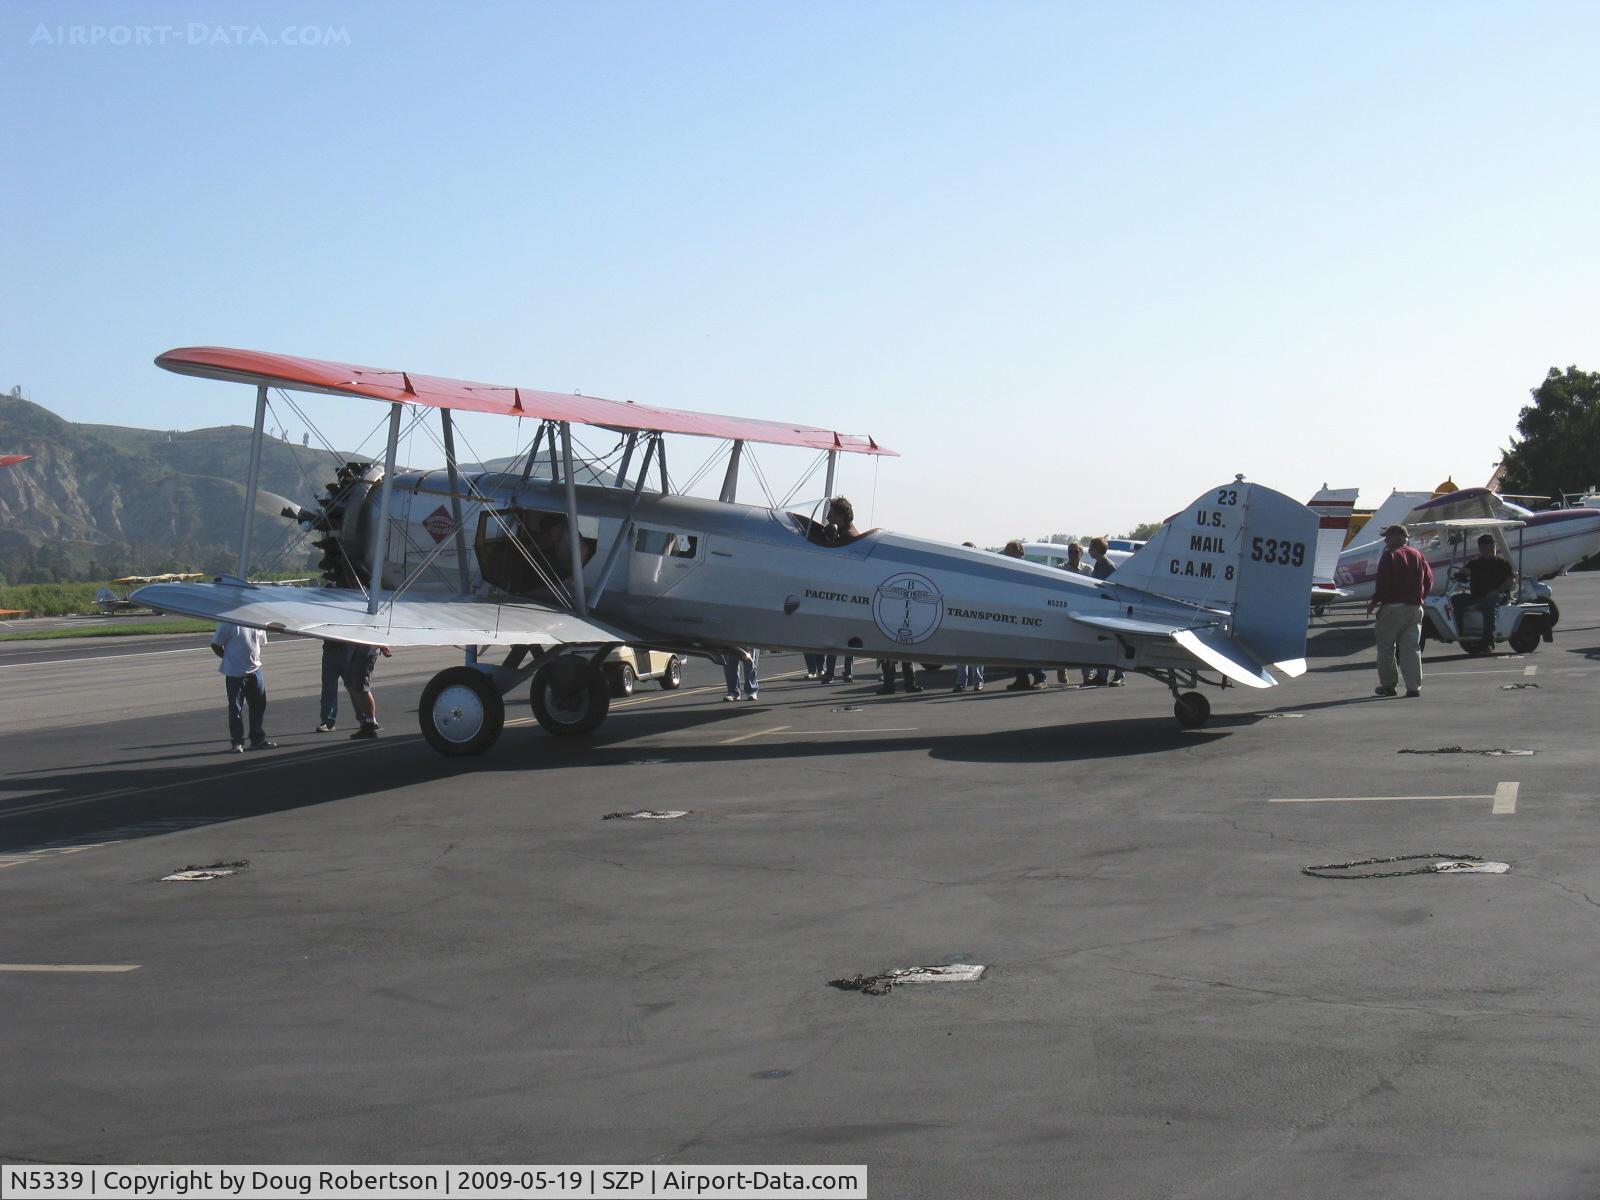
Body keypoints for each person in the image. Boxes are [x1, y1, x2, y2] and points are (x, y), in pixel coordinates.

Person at [1366, 523, 1434, 698]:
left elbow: (1383, 583)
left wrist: (1374, 601)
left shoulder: (1390, 555)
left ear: (1397, 536)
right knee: (1411, 647)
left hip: (1393, 607)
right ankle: (1413, 687)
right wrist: (1420, 598)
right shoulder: (1418, 555)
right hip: (1415, 607)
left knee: (1386, 647)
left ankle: (1388, 685)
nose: (1386, 540)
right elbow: (1429, 581)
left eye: (1388, 536)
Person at [211, 621, 276, 752]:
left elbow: (260, 643)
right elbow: (215, 645)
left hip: (255, 670)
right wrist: (228, 658)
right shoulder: (228, 623)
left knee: (258, 706)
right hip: (235, 674)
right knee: (235, 709)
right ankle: (237, 741)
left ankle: (257, 739)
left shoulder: (258, 623)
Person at [1001, 540, 1047, 690]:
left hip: (1027, 614)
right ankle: (1022, 678)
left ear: (1018, 553)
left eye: (1009, 551)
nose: (1006, 554)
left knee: (1030, 647)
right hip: (1013, 613)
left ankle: (1040, 677)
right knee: (1016, 648)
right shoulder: (1008, 569)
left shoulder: (1026, 568)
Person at [1454, 534, 1514, 645]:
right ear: (1479, 548)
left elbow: (1509, 581)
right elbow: (1465, 570)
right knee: (1455, 600)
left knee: (1489, 604)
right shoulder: (1475, 563)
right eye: (1482, 546)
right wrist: (1460, 574)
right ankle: (1459, 631)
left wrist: (1497, 591)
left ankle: (1488, 640)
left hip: (1498, 595)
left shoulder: (1502, 563)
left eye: (1488, 546)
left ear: (1493, 546)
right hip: (1477, 596)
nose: (1485, 549)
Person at [1087, 537, 1125, 686]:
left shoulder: (1109, 567)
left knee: (1116, 643)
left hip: (1112, 610)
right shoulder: (1098, 565)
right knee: (1103, 643)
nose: (1089, 550)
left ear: (1097, 549)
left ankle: (1119, 675)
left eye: (1091, 548)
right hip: (1101, 609)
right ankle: (1102, 675)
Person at [342, 642, 394, 738]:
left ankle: (370, 723)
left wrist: (382, 644)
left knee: (361, 688)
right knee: (349, 683)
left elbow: (376, 628)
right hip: (353, 651)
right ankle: (369, 720)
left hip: (366, 652)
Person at [318, 639, 349, 732]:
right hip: (330, 650)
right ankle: (327, 722)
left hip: (348, 650)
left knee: (355, 688)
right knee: (328, 688)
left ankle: (365, 719)